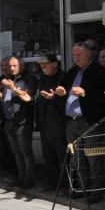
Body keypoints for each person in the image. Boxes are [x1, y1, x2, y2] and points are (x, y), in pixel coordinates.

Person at [54, 42, 105, 191]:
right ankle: (82, 188)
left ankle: (96, 190)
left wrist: (85, 93)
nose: (76, 58)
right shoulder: (72, 71)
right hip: (71, 121)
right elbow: (63, 89)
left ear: (89, 54)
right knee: (76, 158)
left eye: (79, 55)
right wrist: (59, 92)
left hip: (89, 121)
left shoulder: (100, 71)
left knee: (93, 157)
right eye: (74, 55)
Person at [0, 56, 37, 189]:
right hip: (9, 121)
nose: (11, 68)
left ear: (21, 67)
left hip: (22, 121)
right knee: (16, 152)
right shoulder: (7, 79)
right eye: (9, 65)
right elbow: (2, 98)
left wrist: (13, 88)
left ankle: (29, 180)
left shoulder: (28, 80)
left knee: (26, 152)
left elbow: (28, 98)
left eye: (14, 66)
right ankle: (21, 177)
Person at [36, 54, 67, 191]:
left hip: (59, 123)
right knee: (48, 156)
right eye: (41, 65)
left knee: (62, 156)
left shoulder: (63, 77)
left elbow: (66, 101)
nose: (43, 67)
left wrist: (54, 97)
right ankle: (51, 183)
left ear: (55, 63)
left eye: (46, 64)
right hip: (45, 123)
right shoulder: (42, 78)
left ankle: (66, 186)